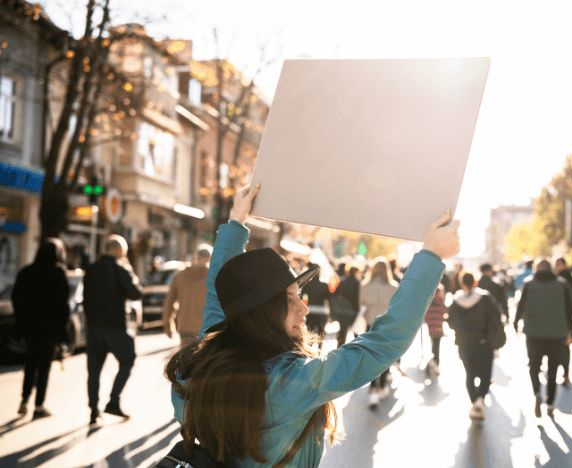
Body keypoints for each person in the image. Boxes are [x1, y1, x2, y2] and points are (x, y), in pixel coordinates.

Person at [162, 185, 460, 467]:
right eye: (291, 298)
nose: (304, 306)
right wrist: (431, 257)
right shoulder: (292, 382)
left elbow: (219, 297)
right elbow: (383, 343)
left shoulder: (201, 366)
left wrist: (235, 223)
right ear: (263, 313)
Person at [84, 234, 143, 424]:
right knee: (128, 361)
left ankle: (94, 410)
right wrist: (130, 271)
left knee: (94, 371)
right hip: (116, 327)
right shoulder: (120, 269)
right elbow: (135, 293)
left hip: (93, 327)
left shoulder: (91, 269)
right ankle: (113, 401)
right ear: (119, 251)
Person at [12, 239, 70, 419]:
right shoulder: (58, 273)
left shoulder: (27, 272)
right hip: (49, 329)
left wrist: (22, 322)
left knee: (30, 363)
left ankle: (24, 399)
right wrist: (63, 332)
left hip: (31, 327)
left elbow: (17, 298)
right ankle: (39, 405)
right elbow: (63, 304)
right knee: (44, 367)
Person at [514, 259, 572, 418]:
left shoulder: (528, 284)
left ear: (536, 270)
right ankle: (550, 402)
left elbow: (520, 305)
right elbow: (570, 310)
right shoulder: (561, 284)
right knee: (553, 369)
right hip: (557, 334)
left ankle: (537, 393)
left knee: (534, 366)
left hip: (533, 334)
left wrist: (516, 322)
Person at [447, 272, 500, 420]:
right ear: (475, 282)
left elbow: (450, 322)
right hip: (484, 341)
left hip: (464, 343)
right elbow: (495, 317)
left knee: (469, 373)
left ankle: (474, 400)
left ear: (462, 283)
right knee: (485, 374)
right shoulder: (485, 298)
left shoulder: (456, 301)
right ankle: (480, 399)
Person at [360, 258, 399, 408]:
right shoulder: (393, 287)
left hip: (370, 324)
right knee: (384, 356)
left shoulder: (365, 286)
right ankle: (382, 385)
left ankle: (372, 387)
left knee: (371, 355)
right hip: (386, 326)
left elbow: (361, 306)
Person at [162, 244, 213, 347]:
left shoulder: (179, 276)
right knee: (203, 361)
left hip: (184, 326)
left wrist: (168, 324)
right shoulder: (212, 277)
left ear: (196, 257)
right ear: (209, 258)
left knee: (186, 360)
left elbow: (169, 302)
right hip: (206, 327)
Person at [554, 257, 572, 386]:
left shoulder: (560, 280)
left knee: (562, 346)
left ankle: (565, 373)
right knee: (564, 346)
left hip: (563, 316)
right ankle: (565, 372)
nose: (557, 267)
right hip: (567, 316)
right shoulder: (569, 278)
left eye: (558, 264)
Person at [301, 262, 331, 348]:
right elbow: (328, 299)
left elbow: (303, 298)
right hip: (321, 311)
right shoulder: (324, 285)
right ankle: (319, 350)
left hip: (310, 310)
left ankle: (308, 349)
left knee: (309, 331)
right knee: (321, 331)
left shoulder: (306, 285)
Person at [331, 264, 361, 348]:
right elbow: (359, 298)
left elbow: (335, 295)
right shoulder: (358, 283)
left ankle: (339, 347)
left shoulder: (342, 281)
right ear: (356, 272)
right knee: (356, 331)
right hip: (353, 310)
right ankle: (356, 349)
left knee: (342, 331)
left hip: (342, 310)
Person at [424, 285, 446, 377]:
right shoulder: (440, 301)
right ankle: (434, 364)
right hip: (439, 328)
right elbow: (444, 312)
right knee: (437, 347)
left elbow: (426, 315)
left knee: (434, 346)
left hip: (431, 328)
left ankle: (431, 365)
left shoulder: (429, 302)